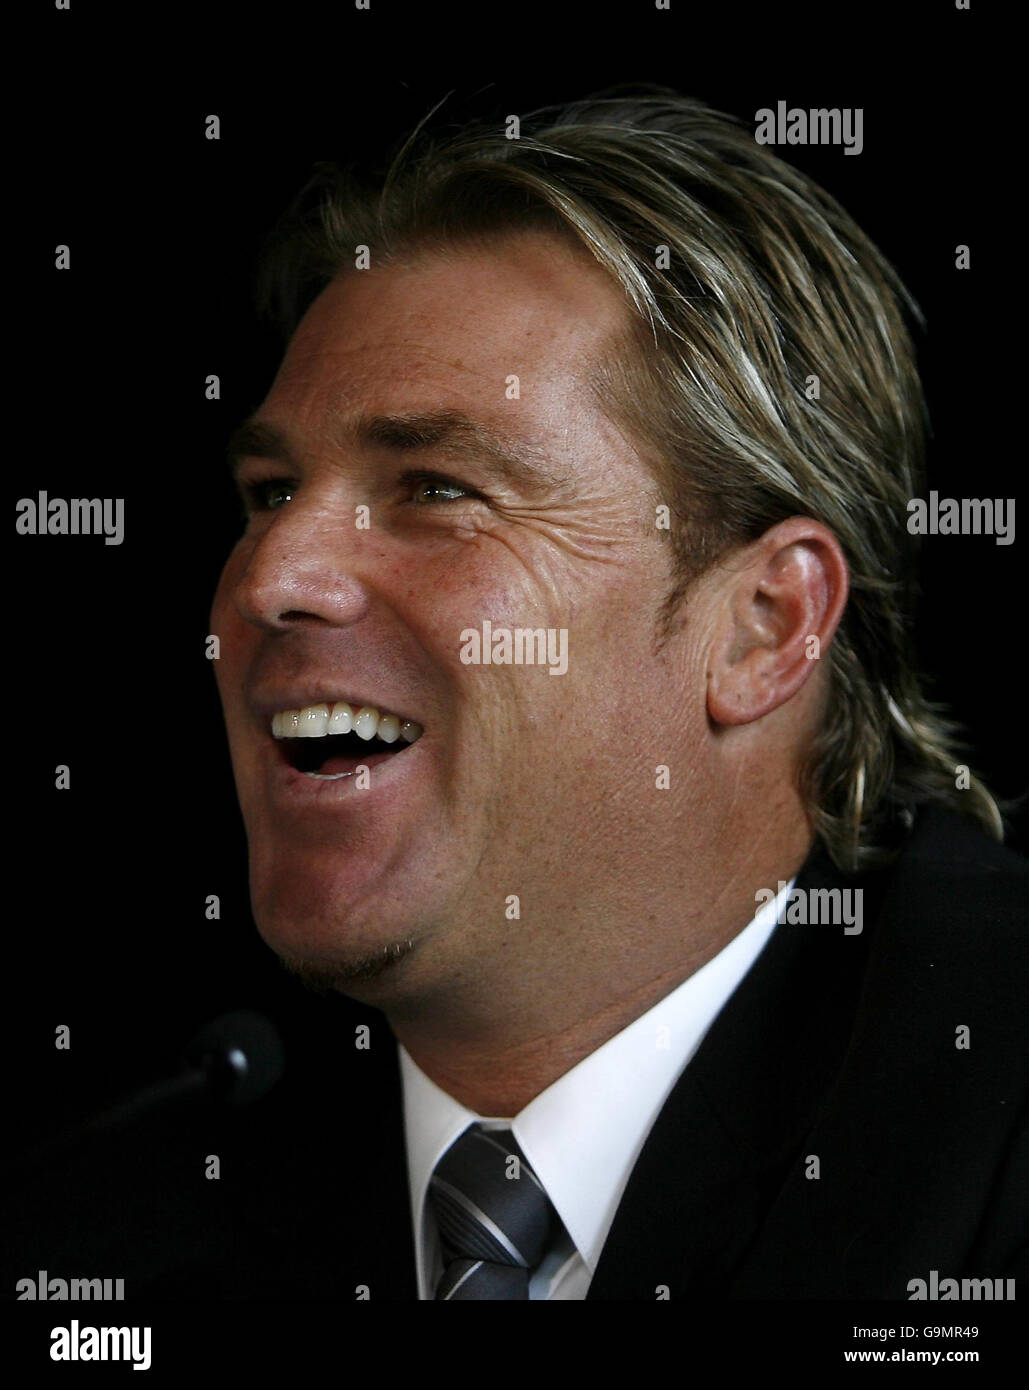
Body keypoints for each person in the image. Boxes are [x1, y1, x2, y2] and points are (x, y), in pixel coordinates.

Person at [12, 89, 1021, 1305]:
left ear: (765, 627)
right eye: (270, 491)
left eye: (436, 489)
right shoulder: (106, 1214)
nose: (271, 578)